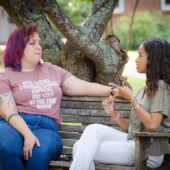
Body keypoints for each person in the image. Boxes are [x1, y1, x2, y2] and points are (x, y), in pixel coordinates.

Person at [0, 25, 111, 170]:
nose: (38, 47)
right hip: (12, 126)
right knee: (5, 146)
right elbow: (9, 113)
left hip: (46, 130)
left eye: (39, 43)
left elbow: (82, 86)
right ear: (17, 47)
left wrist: (112, 90)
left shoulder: (51, 70)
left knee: (39, 152)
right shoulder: (5, 75)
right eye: (32, 43)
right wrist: (27, 134)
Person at [70, 38, 170, 170]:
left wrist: (132, 99)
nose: (136, 59)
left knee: (80, 148)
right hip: (134, 142)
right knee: (92, 130)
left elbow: (152, 125)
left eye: (140, 55)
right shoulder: (144, 89)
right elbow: (133, 129)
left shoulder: (161, 87)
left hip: (148, 152)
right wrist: (113, 113)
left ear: (153, 59)